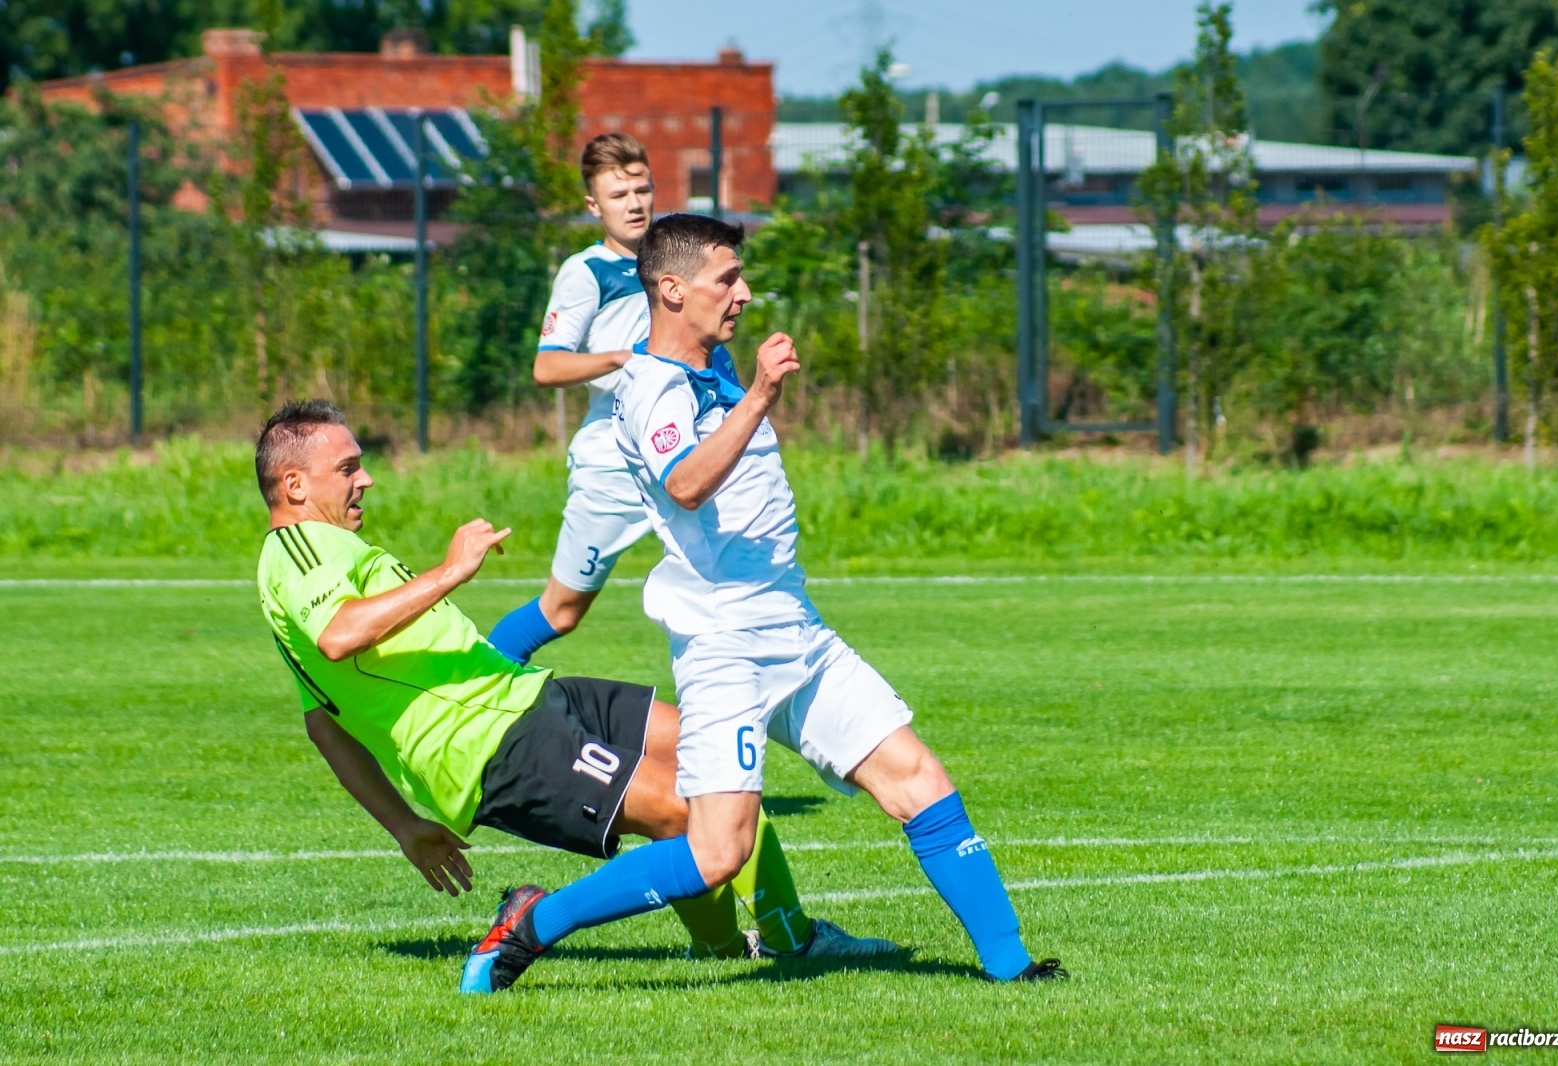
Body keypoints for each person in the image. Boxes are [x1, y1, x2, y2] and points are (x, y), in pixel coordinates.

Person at [459, 215, 1061, 988]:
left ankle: (1013, 970)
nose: (742, 294)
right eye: (726, 279)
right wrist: (763, 396)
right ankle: (532, 923)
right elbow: (684, 483)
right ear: (671, 290)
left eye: (741, 277)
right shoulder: (649, 389)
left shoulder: (713, 362)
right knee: (719, 851)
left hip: (796, 632)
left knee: (919, 780)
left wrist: (747, 385)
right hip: (724, 648)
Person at [252, 399, 897, 995]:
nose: (364, 480)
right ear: (295, 486)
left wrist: (404, 827)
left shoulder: (318, 556)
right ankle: (723, 943)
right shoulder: (297, 547)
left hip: (523, 695)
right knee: (686, 813)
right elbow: (340, 635)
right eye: (347, 468)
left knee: (721, 754)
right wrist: (450, 571)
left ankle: (773, 942)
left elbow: (323, 724)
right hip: (490, 741)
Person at [488, 132, 658, 665]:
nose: (634, 204)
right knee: (562, 611)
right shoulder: (586, 273)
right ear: (593, 205)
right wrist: (622, 358)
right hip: (615, 461)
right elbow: (547, 365)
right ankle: (467, 695)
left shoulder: (673, 256)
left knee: (731, 580)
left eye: (642, 190)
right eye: (617, 195)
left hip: (680, 448)